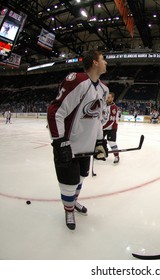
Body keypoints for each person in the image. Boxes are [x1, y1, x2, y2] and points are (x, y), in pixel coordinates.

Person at [47, 49, 109, 230]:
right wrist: (60, 142)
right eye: (103, 59)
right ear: (95, 62)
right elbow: (55, 112)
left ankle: (72, 203)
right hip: (69, 145)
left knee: (81, 177)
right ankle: (68, 210)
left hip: (86, 147)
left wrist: (99, 142)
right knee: (68, 183)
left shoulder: (104, 90)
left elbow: (97, 118)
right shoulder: (78, 81)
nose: (106, 62)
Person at [102, 92, 120, 164]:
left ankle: (116, 156)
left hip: (112, 128)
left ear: (112, 98)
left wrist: (102, 127)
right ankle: (102, 154)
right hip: (103, 127)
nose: (107, 98)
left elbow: (111, 121)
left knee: (111, 142)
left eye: (109, 97)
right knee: (98, 141)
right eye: (107, 97)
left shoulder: (113, 108)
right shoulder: (104, 105)